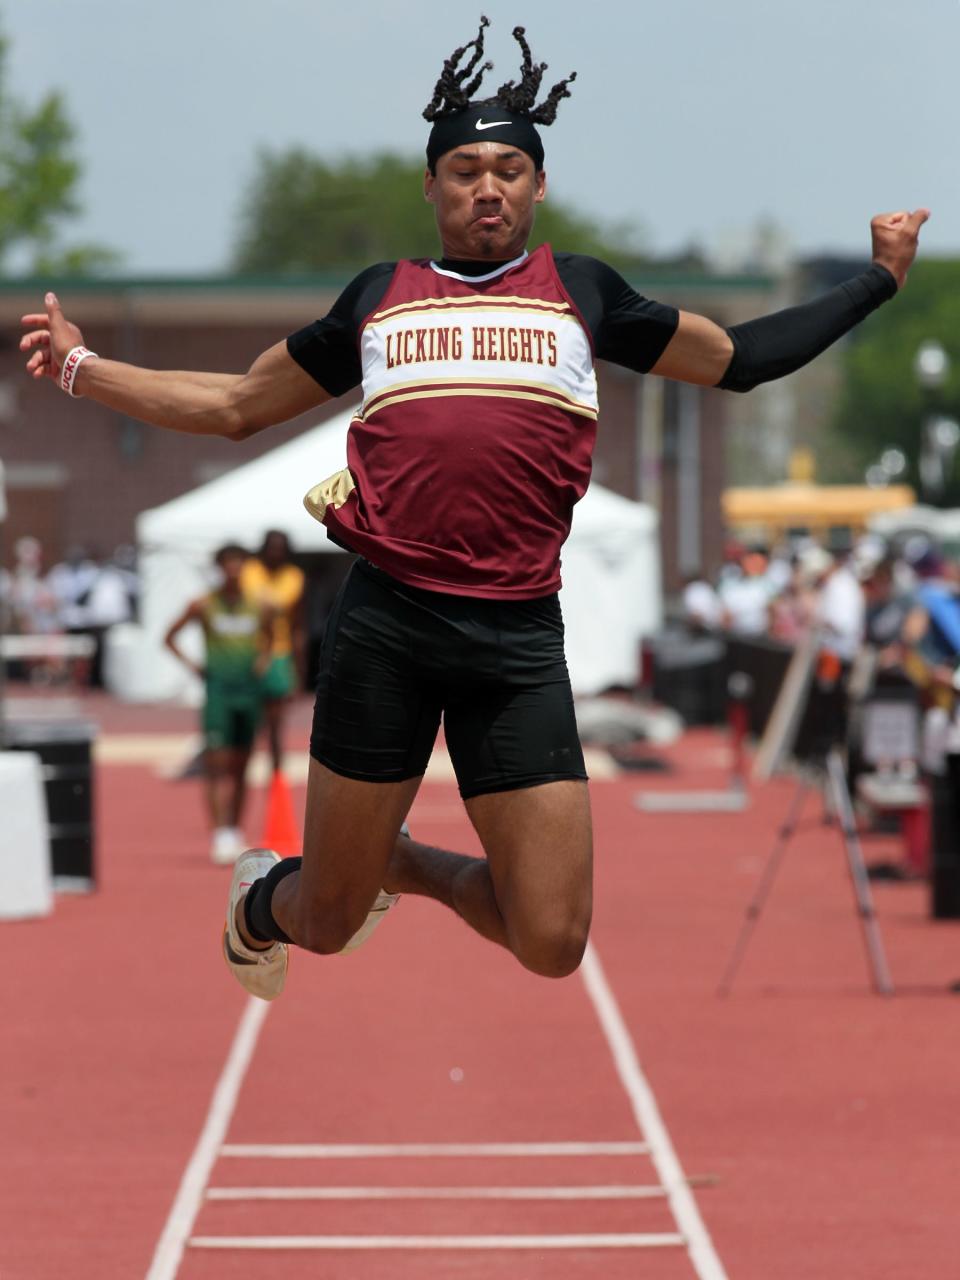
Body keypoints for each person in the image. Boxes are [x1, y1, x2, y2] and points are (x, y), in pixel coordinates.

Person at [20, 17, 929, 1001]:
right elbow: (238, 404)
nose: (486, 185)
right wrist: (81, 368)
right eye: (463, 169)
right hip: (390, 627)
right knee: (323, 917)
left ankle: (406, 863)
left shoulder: (585, 293)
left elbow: (742, 361)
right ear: (431, 186)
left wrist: (874, 281)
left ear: (538, 185)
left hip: (517, 636)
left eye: (506, 168)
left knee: (552, 937)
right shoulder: (380, 298)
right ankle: (262, 903)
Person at [164, 545, 273, 864]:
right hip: (218, 692)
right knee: (216, 762)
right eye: (228, 564)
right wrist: (193, 665)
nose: (234, 570)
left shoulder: (260, 605)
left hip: (248, 692)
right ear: (219, 567)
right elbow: (168, 636)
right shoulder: (204, 604)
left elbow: (271, 636)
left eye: (239, 563)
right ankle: (219, 832)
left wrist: (264, 661)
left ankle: (235, 828)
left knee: (243, 762)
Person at [241, 530, 306, 773]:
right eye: (271, 547)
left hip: (279, 653)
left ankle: (277, 772)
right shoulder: (248, 571)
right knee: (248, 718)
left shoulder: (294, 577)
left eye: (280, 548)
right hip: (249, 652)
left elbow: (298, 625)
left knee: (276, 721)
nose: (275, 553)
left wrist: (300, 670)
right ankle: (241, 764)